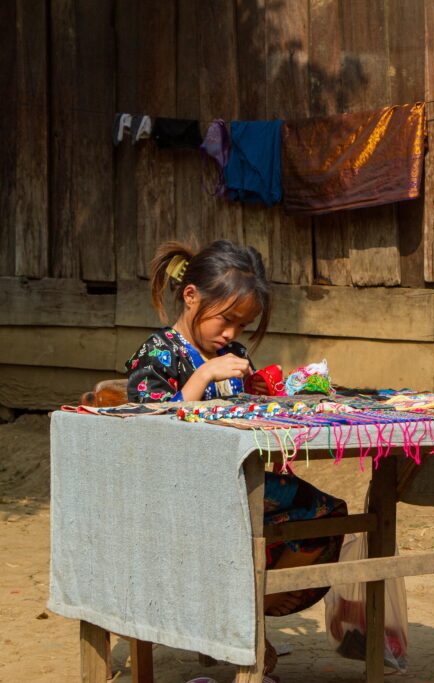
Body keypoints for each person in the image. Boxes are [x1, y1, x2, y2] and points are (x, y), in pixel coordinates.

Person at [125, 239, 346, 675]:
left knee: (327, 515)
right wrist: (203, 375)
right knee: (270, 519)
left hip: (238, 483)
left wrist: (256, 395)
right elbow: (147, 426)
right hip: (179, 492)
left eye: (241, 327)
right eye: (226, 320)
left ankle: (241, 617)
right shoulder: (157, 353)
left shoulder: (235, 356)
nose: (231, 335)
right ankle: (233, 623)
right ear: (191, 296)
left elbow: (238, 414)